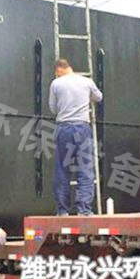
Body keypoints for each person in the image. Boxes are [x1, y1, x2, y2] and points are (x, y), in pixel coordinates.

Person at [48, 59, 103, 216]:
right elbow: (99, 97)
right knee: (85, 169)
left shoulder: (56, 84)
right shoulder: (86, 81)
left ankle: (63, 210)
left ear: (59, 70)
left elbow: (53, 108)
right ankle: (83, 209)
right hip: (82, 128)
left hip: (64, 129)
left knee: (62, 170)